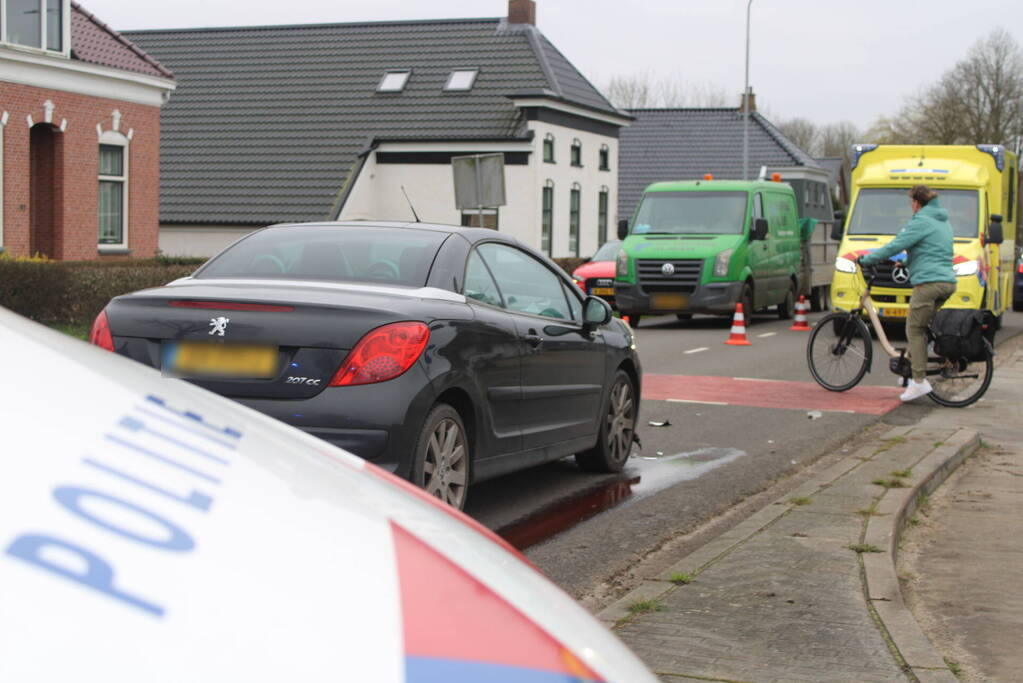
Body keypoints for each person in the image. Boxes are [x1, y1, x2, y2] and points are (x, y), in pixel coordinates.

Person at [859, 185, 956, 401]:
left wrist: (867, 259)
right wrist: (904, 262)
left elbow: (896, 244)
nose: (911, 206)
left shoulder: (921, 220)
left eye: (911, 202)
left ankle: (919, 381)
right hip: (946, 282)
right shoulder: (941, 220)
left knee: (914, 329)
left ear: (916, 203)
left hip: (929, 283)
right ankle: (910, 372)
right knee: (921, 327)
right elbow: (931, 250)